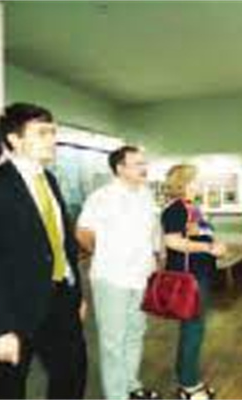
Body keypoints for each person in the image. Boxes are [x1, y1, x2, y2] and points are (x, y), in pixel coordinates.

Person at [0, 103, 87, 399]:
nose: (52, 139)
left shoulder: (49, 180)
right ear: (15, 139)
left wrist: (76, 294)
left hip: (61, 300)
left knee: (72, 377)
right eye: (42, 132)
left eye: (53, 132)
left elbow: (62, 244)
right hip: (13, 308)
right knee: (7, 390)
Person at [76, 146, 160, 400]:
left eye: (144, 163)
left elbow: (152, 233)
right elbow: (82, 232)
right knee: (113, 341)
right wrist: (106, 254)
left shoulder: (146, 195)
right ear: (120, 168)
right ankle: (116, 395)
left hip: (141, 276)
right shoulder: (102, 197)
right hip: (111, 278)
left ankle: (131, 385)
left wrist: (154, 258)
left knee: (135, 333)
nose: (144, 168)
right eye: (137, 164)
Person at [161, 165, 227, 400]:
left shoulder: (191, 208)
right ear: (183, 182)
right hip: (190, 278)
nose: (200, 184)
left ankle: (187, 379)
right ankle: (189, 385)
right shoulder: (177, 209)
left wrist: (212, 244)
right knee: (193, 330)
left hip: (199, 274)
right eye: (196, 180)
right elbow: (172, 242)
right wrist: (209, 247)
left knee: (193, 329)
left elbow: (199, 233)